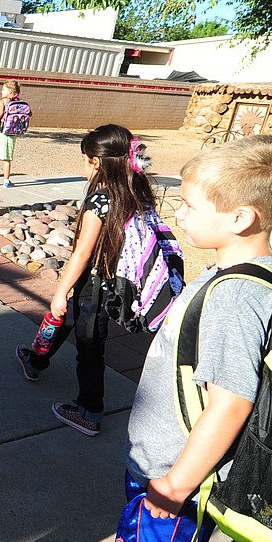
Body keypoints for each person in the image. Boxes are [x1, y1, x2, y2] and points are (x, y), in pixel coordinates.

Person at [75, 135, 272, 542]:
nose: (178, 215)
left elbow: (231, 402)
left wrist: (175, 485)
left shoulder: (234, 299)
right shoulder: (261, 271)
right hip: (168, 457)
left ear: (240, 218)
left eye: (190, 206)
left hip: (176, 467)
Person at [16, 124, 159, 437]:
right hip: (116, 282)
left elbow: (81, 255)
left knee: (90, 347)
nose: (84, 166)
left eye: (85, 160)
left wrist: (60, 291)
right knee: (66, 322)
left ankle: (89, 410)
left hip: (94, 287)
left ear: (96, 162)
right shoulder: (136, 193)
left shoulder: (100, 201)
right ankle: (36, 361)